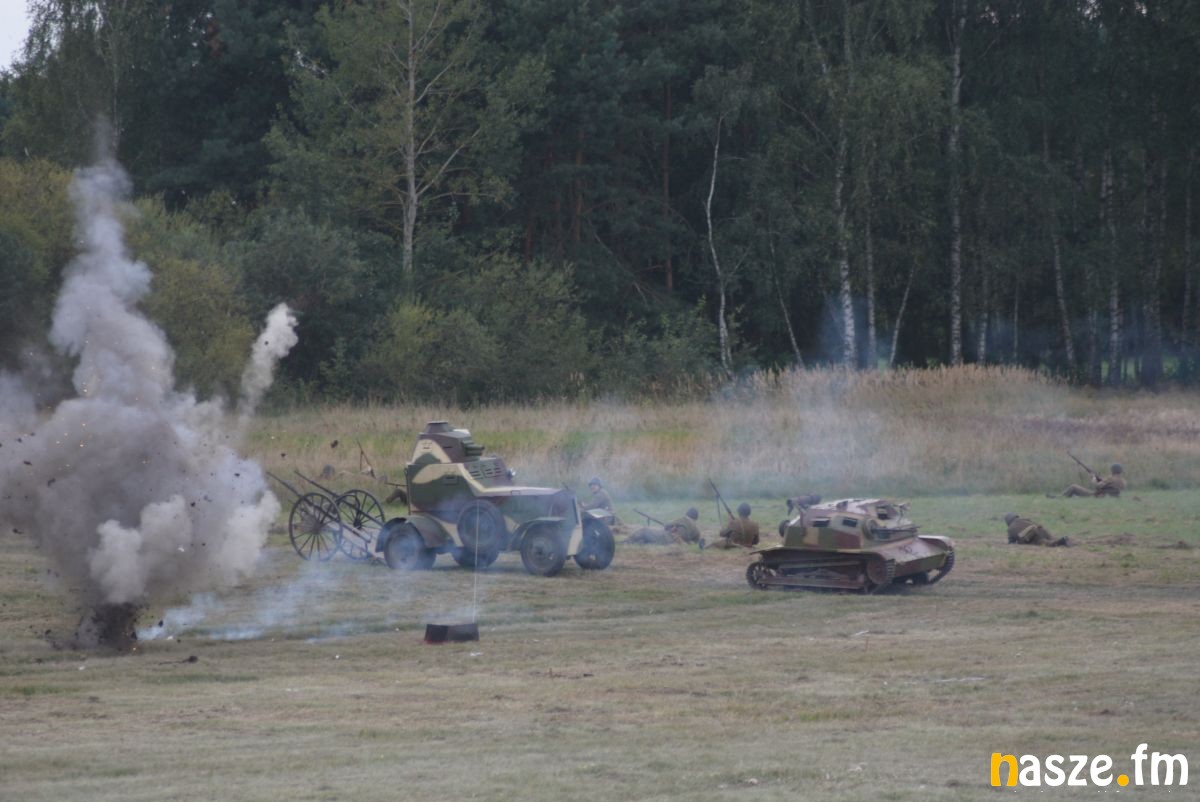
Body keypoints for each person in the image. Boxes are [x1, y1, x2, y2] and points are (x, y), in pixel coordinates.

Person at [625, 508, 702, 546]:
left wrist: (669, 527)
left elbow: (667, 525)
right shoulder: (697, 530)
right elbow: (696, 542)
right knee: (647, 541)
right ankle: (635, 543)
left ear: (687, 514)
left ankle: (626, 541)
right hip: (674, 543)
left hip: (668, 539)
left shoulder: (684, 519)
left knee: (645, 530)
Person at [1005, 513, 1070, 547]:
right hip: (1040, 528)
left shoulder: (1010, 529)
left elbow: (1011, 542)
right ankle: (1064, 539)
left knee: (1046, 543)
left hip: (1033, 536)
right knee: (1051, 538)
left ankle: (1060, 542)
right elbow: (1034, 523)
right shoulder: (1024, 519)